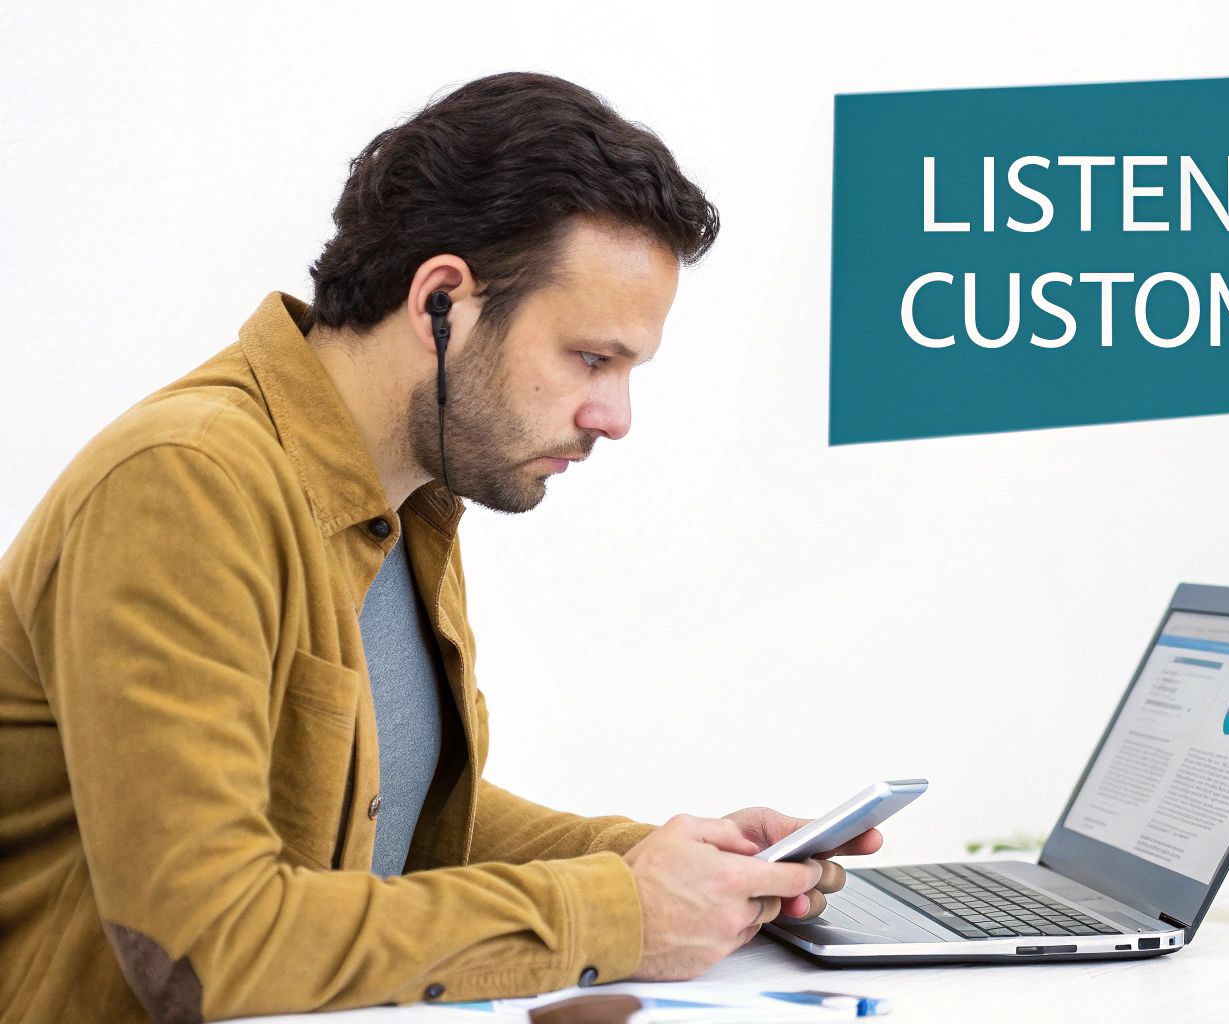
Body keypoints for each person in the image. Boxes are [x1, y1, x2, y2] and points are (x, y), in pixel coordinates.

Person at [0, 71, 881, 1024]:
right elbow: (206, 945)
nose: (615, 417)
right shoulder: (185, 483)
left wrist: (671, 866)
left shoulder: (408, 498)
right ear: (441, 304)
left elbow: (397, 827)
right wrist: (618, 911)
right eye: (591, 357)